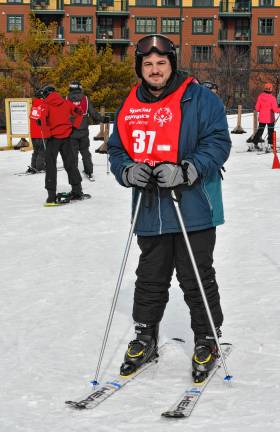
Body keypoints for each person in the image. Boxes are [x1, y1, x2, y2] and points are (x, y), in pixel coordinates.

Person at [108, 34, 231, 382]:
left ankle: (207, 337)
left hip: (193, 205)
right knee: (150, 276)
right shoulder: (130, 104)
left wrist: (188, 168)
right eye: (148, 64)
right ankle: (145, 334)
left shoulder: (198, 98)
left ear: (171, 64)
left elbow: (219, 141)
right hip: (150, 207)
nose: (155, 69)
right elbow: (117, 150)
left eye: (161, 63)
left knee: (196, 275)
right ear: (140, 67)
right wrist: (126, 170)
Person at [37, 85, 85, 206]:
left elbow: (41, 120)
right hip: (67, 137)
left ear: (46, 94)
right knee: (71, 164)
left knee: (51, 166)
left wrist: (46, 133)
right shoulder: (66, 102)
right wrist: (74, 127)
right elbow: (80, 112)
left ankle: (51, 196)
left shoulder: (45, 104)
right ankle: (77, 191)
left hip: (53, 139)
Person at [67, 81, 102, 181]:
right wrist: (102, 119)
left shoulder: (66, 99)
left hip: (71, 131)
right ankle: (89, 172)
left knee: (73, 153)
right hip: (83, 131)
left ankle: (74, 173)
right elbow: (93, 113)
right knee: (85, 152)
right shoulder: (85, 99)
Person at [253, 83, 280, 151]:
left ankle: (254, 143)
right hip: (270, 118)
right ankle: (270, 144)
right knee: (271, 131)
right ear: (270, 89)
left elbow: (257, 108)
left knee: (260, 130)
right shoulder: (272, 98)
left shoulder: (260, 96)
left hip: (262, 117)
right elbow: (275, 109)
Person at [27, 90, 49, 173]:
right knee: (42, 150)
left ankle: (34, 165)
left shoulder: (33, 105)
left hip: (33, 134)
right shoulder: (43, 105)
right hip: (41, 133)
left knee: (36, 150)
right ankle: (40, 167)